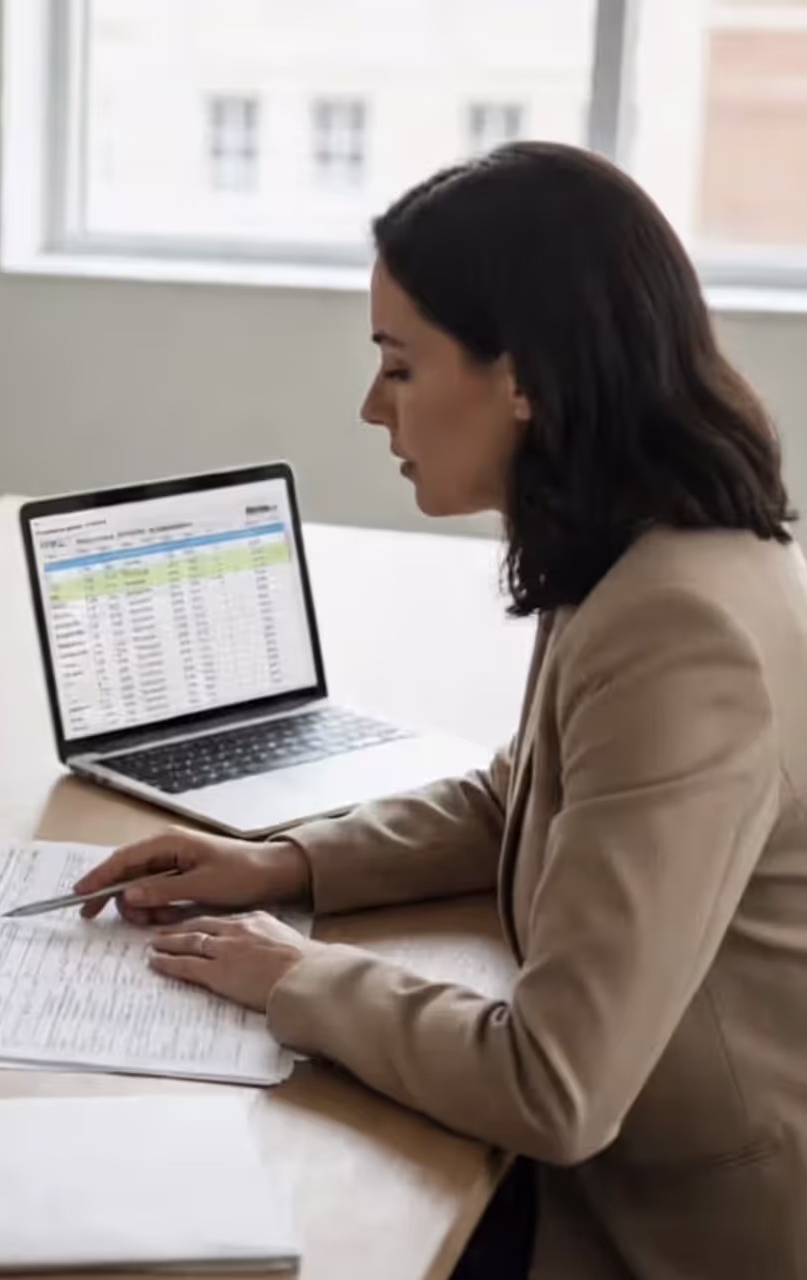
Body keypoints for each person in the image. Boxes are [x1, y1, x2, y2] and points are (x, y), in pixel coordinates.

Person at [71, 142, 807, 1280]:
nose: (372, 406)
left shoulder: (680, 631)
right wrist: (282, 862)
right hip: (621, 1167)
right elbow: (521, 794)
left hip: (675, 1226)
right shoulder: (645, 554)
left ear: (525, 379)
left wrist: (294, 975)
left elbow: (554, 1085)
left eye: (399, 365)